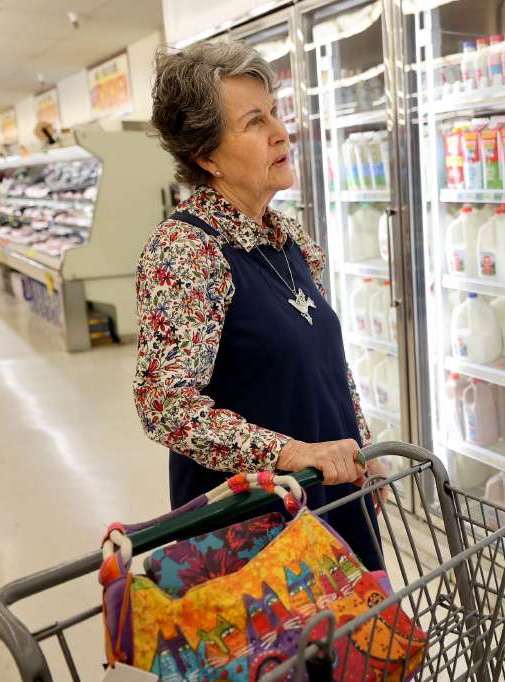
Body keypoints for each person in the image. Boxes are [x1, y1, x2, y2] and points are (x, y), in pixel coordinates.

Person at [134, 41, 382, 570]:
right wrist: (290, 454)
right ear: (206, 156)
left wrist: (361, 447)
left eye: (274, 112)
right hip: (256, 532)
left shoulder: (287, 238)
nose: (279, 132)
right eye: (254, 121)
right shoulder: (186, 251)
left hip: (329, 499)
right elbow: (163, 403)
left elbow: (327, 364)